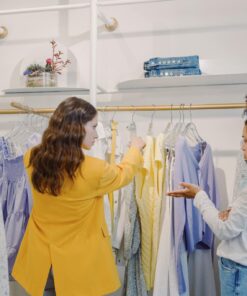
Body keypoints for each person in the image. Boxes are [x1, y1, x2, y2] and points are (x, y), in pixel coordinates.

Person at [12, 97, 145, 296]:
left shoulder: (31, 157)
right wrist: (135, 149)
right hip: (77, 267)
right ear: (77, 129)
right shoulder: (95, 170)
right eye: (93, 126)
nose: (97, 134)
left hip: (41, 261)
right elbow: (123, 174)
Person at [167, 120, 247, 296]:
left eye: (246, 141)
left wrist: (199, 195)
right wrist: (233, 208)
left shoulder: (189, 149)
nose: (242, 146)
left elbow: (225, 229)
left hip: (238, 271)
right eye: (243, 139)